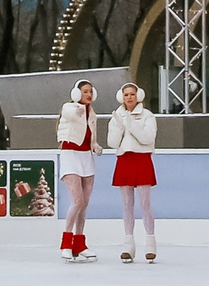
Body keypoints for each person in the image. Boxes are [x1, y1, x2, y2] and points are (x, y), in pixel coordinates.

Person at [108, 82, 159, 262]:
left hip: (142, 159)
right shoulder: (116, 116)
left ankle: (150, 241)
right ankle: (128, 243)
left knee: (145, 204)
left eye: (132, 94)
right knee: (127, 205)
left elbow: (147, 138)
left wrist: (131, 124)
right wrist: (121, 126)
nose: (129, 97)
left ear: (139, 95)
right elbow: (112, 143)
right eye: (126, 94)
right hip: (124, 160)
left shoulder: (148, 115)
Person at [56, 79, 98, 261]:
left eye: (90, 91)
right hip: (70, 155)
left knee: (85, 203)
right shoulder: (69, 107)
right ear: (76, 93)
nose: (88, 94)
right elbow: (71, 114)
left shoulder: (92, 114)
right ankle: (66, 242)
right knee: (78, 201)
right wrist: (78, 107)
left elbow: (90, 135)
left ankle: (79, 243)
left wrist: (95, 145)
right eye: (84, 91)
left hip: (86, 157)